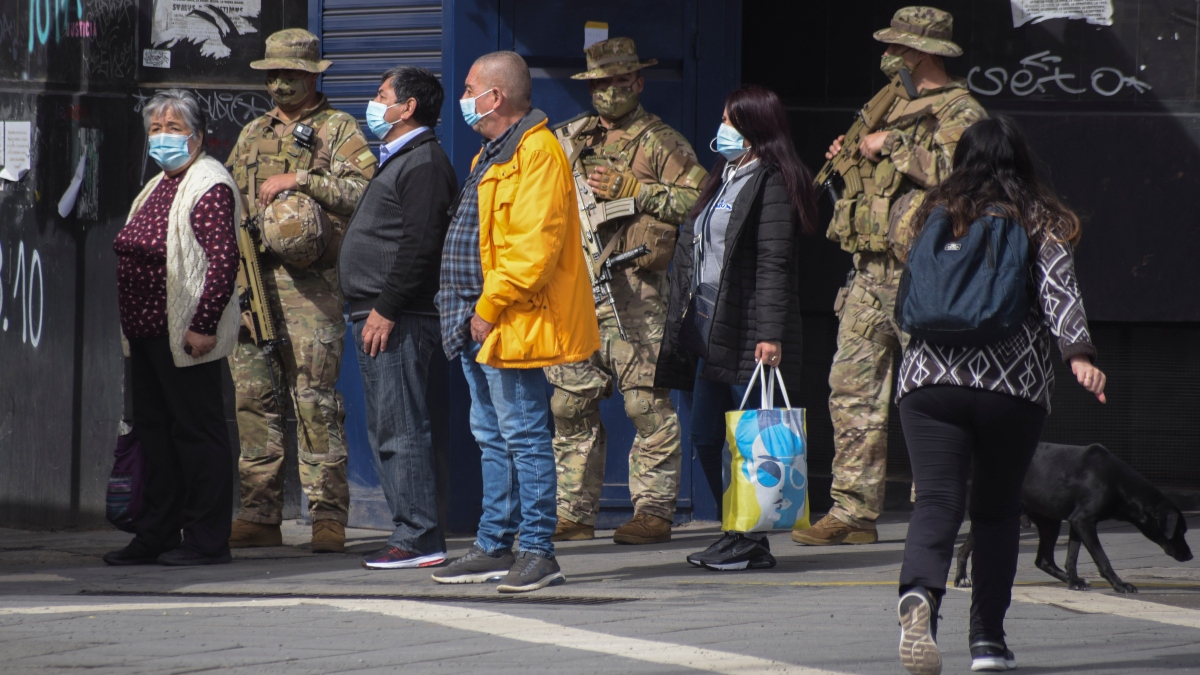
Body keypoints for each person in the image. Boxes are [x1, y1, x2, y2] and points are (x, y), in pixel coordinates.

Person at [892, 116, 1105, 675]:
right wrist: (1078, 355)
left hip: (928, 380)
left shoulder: (927, 214)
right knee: (995, 512)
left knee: (936, 501)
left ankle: (920, 597)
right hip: (1010, 387)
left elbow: (911, 293)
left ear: (961, 159)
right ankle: (987, 643)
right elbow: (1060, 292)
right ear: (1020, 161)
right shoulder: (1038, 216)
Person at [793, 6, 988, 547]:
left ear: (921, 52)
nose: (889, 57)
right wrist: (853, 155)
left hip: (924, 278)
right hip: (867, 273)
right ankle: (853, 513)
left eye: (898, 48)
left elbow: (967, 179)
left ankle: (939, 510)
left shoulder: (960, 111)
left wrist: (894, 146)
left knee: (934, 397)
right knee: (850, 390)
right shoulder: (888, 104)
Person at [430, 51, 599, 593]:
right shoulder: (494, 151)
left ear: (495, 96)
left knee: (524, 435)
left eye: (470, 87)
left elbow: (532, 251)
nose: (464, 97)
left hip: (507, 318)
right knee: (492, 436)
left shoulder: (537, 152)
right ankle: (493, 544)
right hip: (478, 318)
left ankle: (538, 551)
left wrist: (486, 308)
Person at [549, 37, 706, 545]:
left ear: (637, 83)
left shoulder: (660, 142)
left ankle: (653, 512)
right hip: (578, 291)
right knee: (570, 403)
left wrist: (634, 193)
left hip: (637, 294)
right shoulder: (571, 137)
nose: (607, 94)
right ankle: (574, 513)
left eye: (618, 83)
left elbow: (698, 197)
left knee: (646, 405)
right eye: (598, 84)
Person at [225, 28, 377, 553]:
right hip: (253, 287)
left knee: (314, 403)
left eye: (291, 73)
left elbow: (366, 193)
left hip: (311, 292)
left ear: (314, 75)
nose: (281, 82)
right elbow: (230, 204)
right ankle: (260, 513)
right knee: (254, 402)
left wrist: (303, 181)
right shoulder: (250, 134)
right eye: (273, 74)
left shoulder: (339, 129)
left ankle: (327, 517)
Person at [656, 85, 817, 570]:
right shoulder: (723, 176)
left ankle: (749, 541)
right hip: (710, 328)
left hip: (750, 332)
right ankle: (737, 530)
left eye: (731, 120)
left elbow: (773, 263)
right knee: (707, 436)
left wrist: (772, 334)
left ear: (754, 129)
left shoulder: (771, 181)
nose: (722, 128)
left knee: (749, 440)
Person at [105, 90, 240, 567]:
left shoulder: (208, 182)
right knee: (156, 434)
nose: (162, 137)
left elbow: (224, 261)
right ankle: (157, 532)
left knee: (198, 436)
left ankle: (206, 539)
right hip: (146, 333)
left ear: (198, 137)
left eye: (174, 129)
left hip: (184, 336)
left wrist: (202, 325)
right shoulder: (161, 181)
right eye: (156, 129)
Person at [337, 66, 457, 569]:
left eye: (381, 94)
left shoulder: (423, 162)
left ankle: (419, 537)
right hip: (382, 312)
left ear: (407, 108)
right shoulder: (402, 159)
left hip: (398, 316)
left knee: (401, 427)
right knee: (388, 426)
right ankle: (410, 529)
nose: (373, 102)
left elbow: (421, 245)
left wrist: (385, 308)